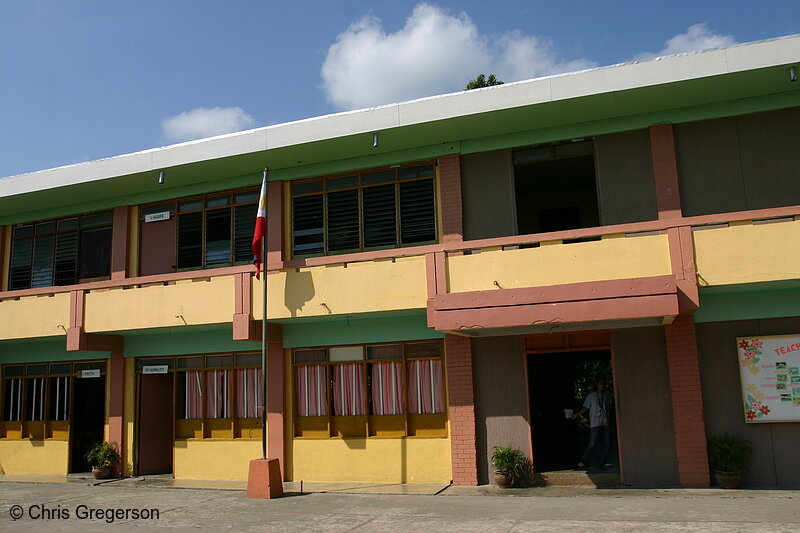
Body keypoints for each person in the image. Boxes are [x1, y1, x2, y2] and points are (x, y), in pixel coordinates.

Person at [571, 378, 611, 469]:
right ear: (596, 384)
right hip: (595, 421)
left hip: (604, 421)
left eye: (603, 384)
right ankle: (583, 460)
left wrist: (607, 421)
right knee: (592, 442)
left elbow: (608, 409)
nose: (602, 385)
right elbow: (586, 407)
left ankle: (602, 461)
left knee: (606, 442)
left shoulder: (606, 396)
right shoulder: (591, 395)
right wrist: (577, 414)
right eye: (600, 383)